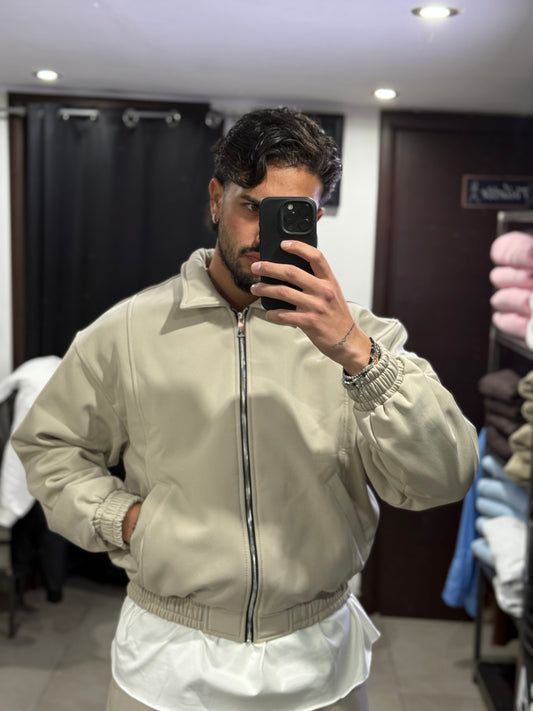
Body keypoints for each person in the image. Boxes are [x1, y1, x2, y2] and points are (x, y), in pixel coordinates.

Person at [11, 107, 479, 711]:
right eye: (250, 206)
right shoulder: (129, 331)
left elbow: (445, 475)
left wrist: (357, 356)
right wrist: (124, 521)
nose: (263, 233)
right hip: (167, 657)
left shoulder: (364, 338)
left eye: (291, 212)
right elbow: (50, 446)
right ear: (216, 199)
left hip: (318, 660)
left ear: (315, 218)